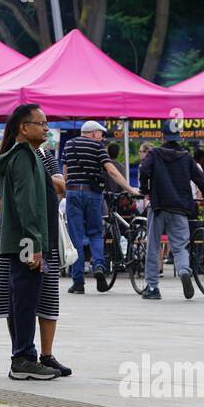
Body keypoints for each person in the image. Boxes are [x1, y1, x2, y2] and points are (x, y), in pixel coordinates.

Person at [0, 104, 65, 380]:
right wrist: (33, 244)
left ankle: (27, 356)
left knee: (27, 297)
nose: (46, 128)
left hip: (28, 240)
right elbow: (26, 205)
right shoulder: (22, 157)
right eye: (41, 123)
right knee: (24, 299)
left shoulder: (32, 156)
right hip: (25, 242)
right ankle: (22, 358)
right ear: (24, 127)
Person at [61, 119, 138, 294]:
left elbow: (65, 173)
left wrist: (65, 192)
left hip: (73, 193)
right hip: (93, 194)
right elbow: (111, 171)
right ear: (94, 133)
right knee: (95, 233)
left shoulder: (69, 145)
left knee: (76, 238)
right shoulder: (97, 148)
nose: (102, 138)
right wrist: (129, 188)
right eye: (101, 134)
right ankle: (98, 265)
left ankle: (78, 282)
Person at [141, 121, 204, 300]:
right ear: (180, 136)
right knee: (179, 247)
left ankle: (153, 287)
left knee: (154, 246)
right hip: (180, 208)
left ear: (162, 136)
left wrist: (144, 189)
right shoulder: (186, 157)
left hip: (159, 206)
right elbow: (200, 180)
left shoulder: (154, 153)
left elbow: (143, 170)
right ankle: (184, 270)